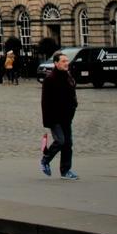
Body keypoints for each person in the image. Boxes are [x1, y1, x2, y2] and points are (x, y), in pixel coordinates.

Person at [39, 50, 78, 179]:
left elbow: (72, 95)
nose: (66, 63)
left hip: (67, 117)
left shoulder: (68, 77)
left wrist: (74, 106)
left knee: (68, 143)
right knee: (60, 141)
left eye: (67, 61)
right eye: (63, 61)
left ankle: (65, 170)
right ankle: (45, 159)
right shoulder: (50, 79)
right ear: (56, 63)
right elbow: (45, 102)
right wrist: (47, 121)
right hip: (54, 117)